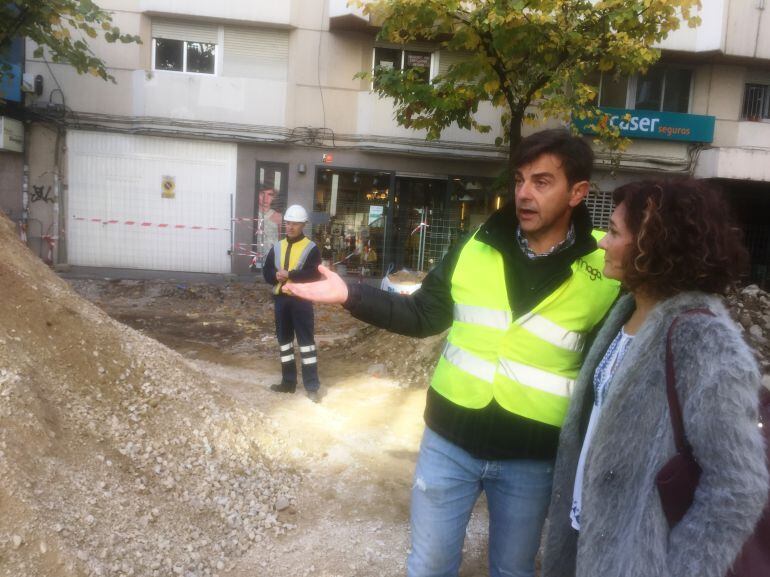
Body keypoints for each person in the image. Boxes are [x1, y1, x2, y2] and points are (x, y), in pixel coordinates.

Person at [284, 129, 621, 577]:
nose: (523, 193)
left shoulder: (606, 263)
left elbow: (614, 363)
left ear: (577, 192)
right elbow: (423, 314)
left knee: (514, 571)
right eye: (519, 180)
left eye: (541, 182)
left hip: (533, 457)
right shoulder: (475, 244)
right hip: (449, 442)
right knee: (428, 567)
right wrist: (351, 294)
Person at [541, 179, 768, 577]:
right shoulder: (624, 312)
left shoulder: (705, 341)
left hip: (637, 558)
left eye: (613, 232)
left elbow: (738, 485)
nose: (601, 243)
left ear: (653, 245)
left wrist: (682, 568)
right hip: (586, 535)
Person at [262, 204, 323, 403]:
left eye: (294, 224)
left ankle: (312, 387)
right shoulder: (277, 247)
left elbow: (314, 274)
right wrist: (275, 277)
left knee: (306, 344)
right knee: (285, 342)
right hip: (282, 301)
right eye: (288, 223)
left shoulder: (311, 249)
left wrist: (291, 275)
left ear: (303, 225)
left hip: (302, 301)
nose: (290, 227)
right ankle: (288, 383)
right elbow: (267, 272)